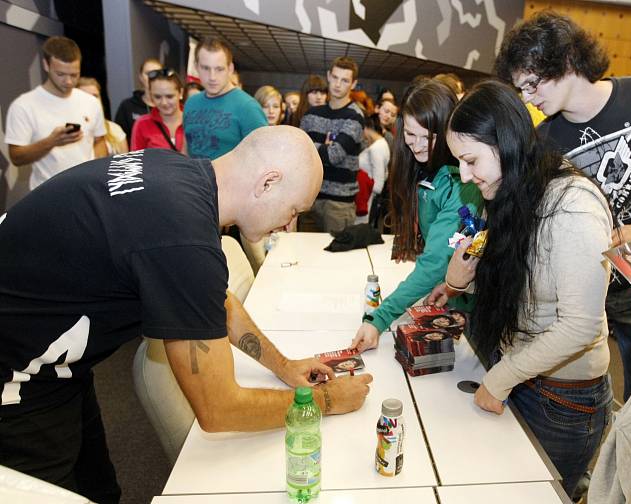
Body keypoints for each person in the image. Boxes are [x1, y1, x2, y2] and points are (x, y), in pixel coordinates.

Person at [0, 126, 373, 503]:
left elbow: (213, 300)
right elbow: (219, 408)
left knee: (99, 490)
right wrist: (326, 402)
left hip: (55, 364)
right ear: (268, 183)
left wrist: (285, 366)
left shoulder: (179, 176)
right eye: (294, 209)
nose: (289, 223)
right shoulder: (182, 235)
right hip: (15, 379)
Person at [494, 11, 631, 400]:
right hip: (581, 287)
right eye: (520, 89)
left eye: (531, 84)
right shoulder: (543, 140)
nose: (528, 98)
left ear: (565, 61)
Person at [426, 80, 613, 499]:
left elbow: (580, 326)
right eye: (459, 162)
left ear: (506, 142)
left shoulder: (571, 206)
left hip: (562, 402)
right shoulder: (511, 190)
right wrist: (458, 280)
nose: (464, 175)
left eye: (471, 160)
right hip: (520, 374)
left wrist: (500, 378)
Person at [350, 79, 483, 352]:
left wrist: (380, 318)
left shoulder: (462, 183)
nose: (419, 145)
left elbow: (436, 261)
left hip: (469, 310)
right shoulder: (421, 169)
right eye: (411, 135)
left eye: (430, 137)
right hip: (442, 295)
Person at [5, 36, 107, 191]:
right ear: (46, 65)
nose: (68, 81)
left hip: (87, 190)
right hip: (47, 193)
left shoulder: (90, 102)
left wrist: (99, 166)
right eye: (60, 74)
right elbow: (16, 156)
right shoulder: (24, 106)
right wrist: (51, 142)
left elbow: (99, 140)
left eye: (74, 75)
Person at [299, 57, 364, 232]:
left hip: (339, 203)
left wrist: (312, 146)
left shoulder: (355, 117)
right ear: (328, 75)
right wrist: (324, 146)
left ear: (353, 84)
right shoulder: (311, 114)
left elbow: (334, 156)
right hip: (309, 198)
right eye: (335, 77)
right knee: (305, 255)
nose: (337, 84)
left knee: (337, 257)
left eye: (344, 80)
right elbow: (298, 153)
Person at [182, 37, 267, 159]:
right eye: (206, 68)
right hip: (192, 177)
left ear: (230, 69)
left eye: (219, 69)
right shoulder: (191, 102)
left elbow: (262, 156)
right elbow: (185, 148)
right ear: (196, 67)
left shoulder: (247, 106)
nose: (212, 77)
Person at [130, 69, 185, 152]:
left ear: (180, 93)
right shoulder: (142, 124)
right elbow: (135, 162)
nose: (164, 103)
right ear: (151, 95)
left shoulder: (194, 120)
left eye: (169, 96)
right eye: (157, 97)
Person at [78, 77, 128, 155]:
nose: (92, 101)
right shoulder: (71, 131)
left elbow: (125, 162)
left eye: (95, 96)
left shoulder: (114, 129)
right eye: (86, 96)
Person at [354, 114, 390, 224]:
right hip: (367, 194)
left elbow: (378, 183)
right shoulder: (381, 144)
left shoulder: (376, 148)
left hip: (367, 196)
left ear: (366, 128)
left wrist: (366, 184)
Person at [114, 58, 162, 139]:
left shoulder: (169, 105)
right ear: (140, 77)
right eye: (148, 73)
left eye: (157, 73)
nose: (152, 77)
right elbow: (119, 138)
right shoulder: (127, 106)